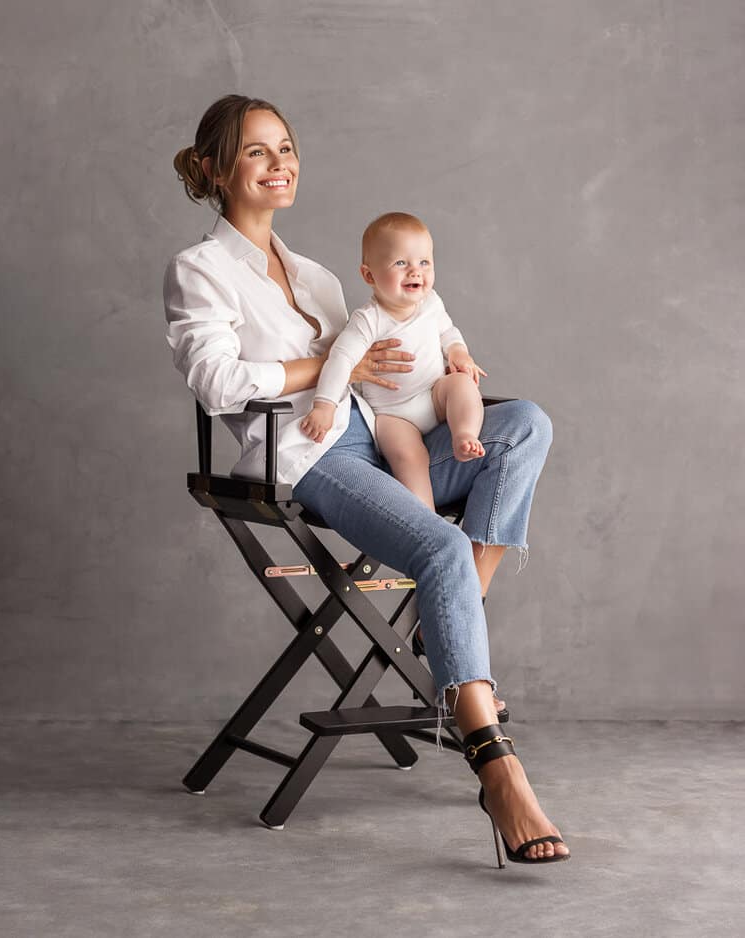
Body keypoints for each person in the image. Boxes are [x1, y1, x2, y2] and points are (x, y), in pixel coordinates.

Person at [164, 94, 569, 863]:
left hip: (388, 437)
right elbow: (216, 382)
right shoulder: (200, 269)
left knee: (525, 423)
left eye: (286, 147)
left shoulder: (316, 274)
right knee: (438, 553)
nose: (281, 162)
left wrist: (445, 360)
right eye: (257, 151)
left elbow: (393, 344)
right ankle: (497, 763)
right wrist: (327, 366)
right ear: (217, 169)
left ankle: (464, 608)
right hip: (315, 455)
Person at [300, 212, 488, 512]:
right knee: (408, 457)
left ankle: (464, 434)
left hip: (433, 393)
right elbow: (340, 360)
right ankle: (424, 517)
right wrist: (324, 406)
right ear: (369, 275)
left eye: (424, 262)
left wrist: (458, 353)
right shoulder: (368, 320)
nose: (415, 271)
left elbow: (447, 331)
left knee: (462, 384)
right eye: (401, 263)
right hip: (393, 415)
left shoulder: (432, 303)